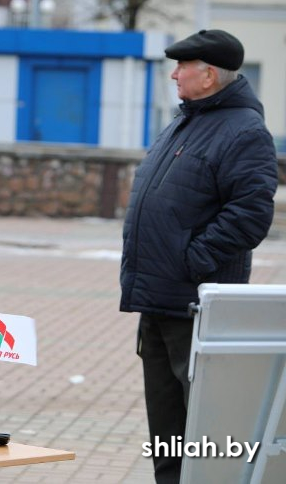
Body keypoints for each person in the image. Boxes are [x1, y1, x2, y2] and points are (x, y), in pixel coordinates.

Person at [120, 29, 278, 484]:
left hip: (195, 306)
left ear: (208, 76)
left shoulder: (244, 131)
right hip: (158, 302)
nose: (174, 74)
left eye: (182, 68)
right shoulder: (186, 121)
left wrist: (191, 260)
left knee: (207, 432)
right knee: (166, 433)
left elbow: (250, 216)